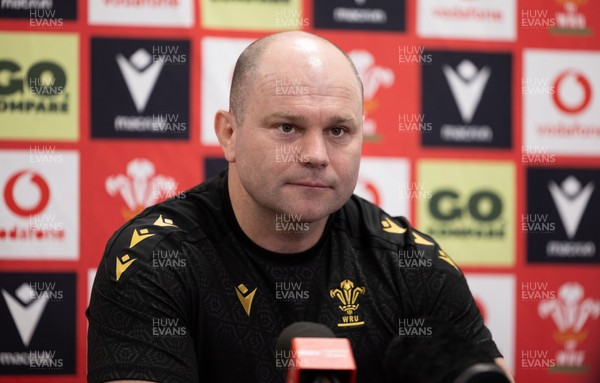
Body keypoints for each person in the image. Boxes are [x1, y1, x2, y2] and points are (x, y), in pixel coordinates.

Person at [87, 31, 514, 383]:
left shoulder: (413, 265)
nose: (316, 154)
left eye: (338, 130)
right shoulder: (154, 259)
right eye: (288, 127)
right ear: (229, 134)